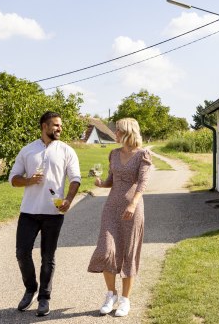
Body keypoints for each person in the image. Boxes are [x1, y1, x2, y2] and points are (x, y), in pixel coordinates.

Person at [9, 111, 81, 317]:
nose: (60, 128)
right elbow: (13, 178)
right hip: (29, 211)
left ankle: (44, 298)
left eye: (60, 125)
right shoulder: (28, 150)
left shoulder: (67, 150)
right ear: (44, 126)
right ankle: (30, 288)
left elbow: (75, 178)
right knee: (22, 253)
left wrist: (68, 200)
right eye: (56, 125)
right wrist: (28, 180)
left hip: (53, 213)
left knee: (47, 257)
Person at [87, 117, 152, 317]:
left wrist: (133, 203)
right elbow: (110, 181)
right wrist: (99, 183)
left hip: (132, 210)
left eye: (118, 131)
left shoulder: (142, 155)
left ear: (128, 132)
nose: (115, 135)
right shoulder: (113, 154)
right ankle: (111, 294)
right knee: (106, 249)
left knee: (128, 253)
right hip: (111, 208)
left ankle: (125, 300)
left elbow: (142, 183)